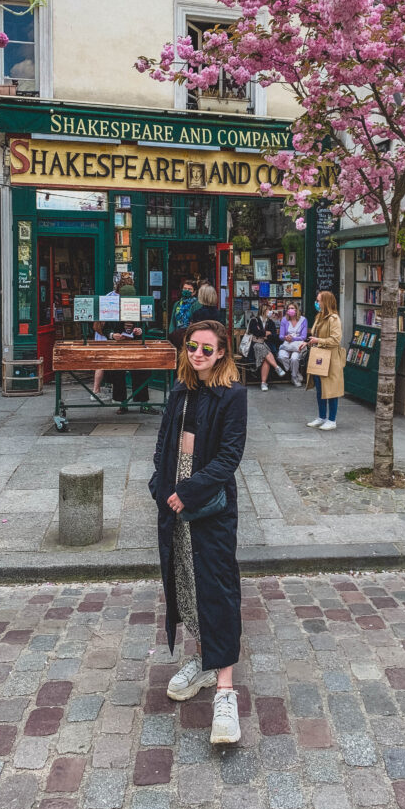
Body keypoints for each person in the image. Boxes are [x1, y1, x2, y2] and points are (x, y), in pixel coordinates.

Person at [148, 320, 247, 745]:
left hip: (208, 501)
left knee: (218, 586)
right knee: (185, 581)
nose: (198, 354)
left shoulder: (233, 395)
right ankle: (205, 660)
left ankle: (226, 688)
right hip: (174, 498)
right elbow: (162, 444)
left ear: (222, 352)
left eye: (207, 349)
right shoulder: (180, 391)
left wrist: (189, 491)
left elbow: (229, 457)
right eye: (192, 347)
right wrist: (162, 487)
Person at [301, 290, 345, 430]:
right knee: (320, 388)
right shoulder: (319, 316)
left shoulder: (334, 319)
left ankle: (332, 420)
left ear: (325, 302)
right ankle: (321, 417)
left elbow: (335, 339)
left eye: (319, 300)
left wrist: (318, 340)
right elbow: (315, 335)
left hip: (331, 357)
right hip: (319, 356)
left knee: (331, 389)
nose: (316, 302)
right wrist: (307, 342)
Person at [105, 281, 151, 412]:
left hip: (136, 345)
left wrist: (141, 331)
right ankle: (122, 403)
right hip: (119, 346)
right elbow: (106, 328)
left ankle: (143, 402)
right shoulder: (112, 308)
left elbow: (146, 325)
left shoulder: (140, 307)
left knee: (141, 371)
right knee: (118, 374)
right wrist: (113, 335)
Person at [247, 304, 285, 392]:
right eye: (269, 310)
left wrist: (264, 334)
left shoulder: (270, 322)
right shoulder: (254, 320)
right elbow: (255, 332)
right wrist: (266, 333)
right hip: (255, 347)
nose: (271, 312)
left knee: (265, 358)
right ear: (264, 310)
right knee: (260, 347)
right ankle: (276, 367)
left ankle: (263, 383)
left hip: (268, 346)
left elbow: (274, 336)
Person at [278, 303, 308, 387]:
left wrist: (293, 338)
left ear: (296, 309)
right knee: (281, 356)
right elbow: (280, 336)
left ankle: (294, 377)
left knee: (294, 359)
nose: (290, 310)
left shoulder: (303, 320)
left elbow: (304, 336)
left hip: (297, 345)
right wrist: (285, 337)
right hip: (287, 344)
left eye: (292, 308)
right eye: (289, 308)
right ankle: (296, 372)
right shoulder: (284, 320)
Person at [169, 279, 199, 349]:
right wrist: (171, 334)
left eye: (189, 289)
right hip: (177, 336)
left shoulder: (196, 304)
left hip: (190, 337)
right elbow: (173, 321)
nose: (186, 291)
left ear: (194, 292)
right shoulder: (177, 304)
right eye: (185, 288)